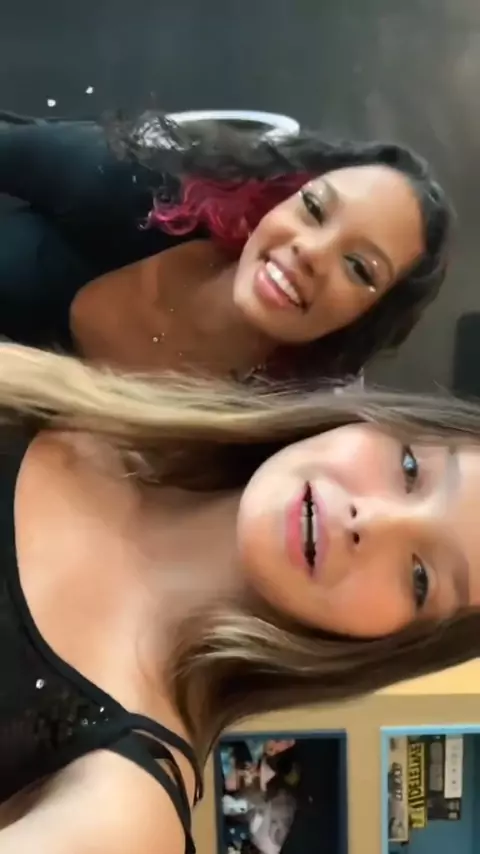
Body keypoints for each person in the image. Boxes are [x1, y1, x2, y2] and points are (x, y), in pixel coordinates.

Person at [0, 342, 479, 853]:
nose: (374, 522)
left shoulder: (125, 811)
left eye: (420, 578)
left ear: (393, 643)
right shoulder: (79, 405)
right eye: (410, 468)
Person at [0, 111, 451, 381]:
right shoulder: (134, 190)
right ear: (283, 197)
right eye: (314, 208)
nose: (311, 252)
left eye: (359, 267)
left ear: (365, 318)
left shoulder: (260, 435)